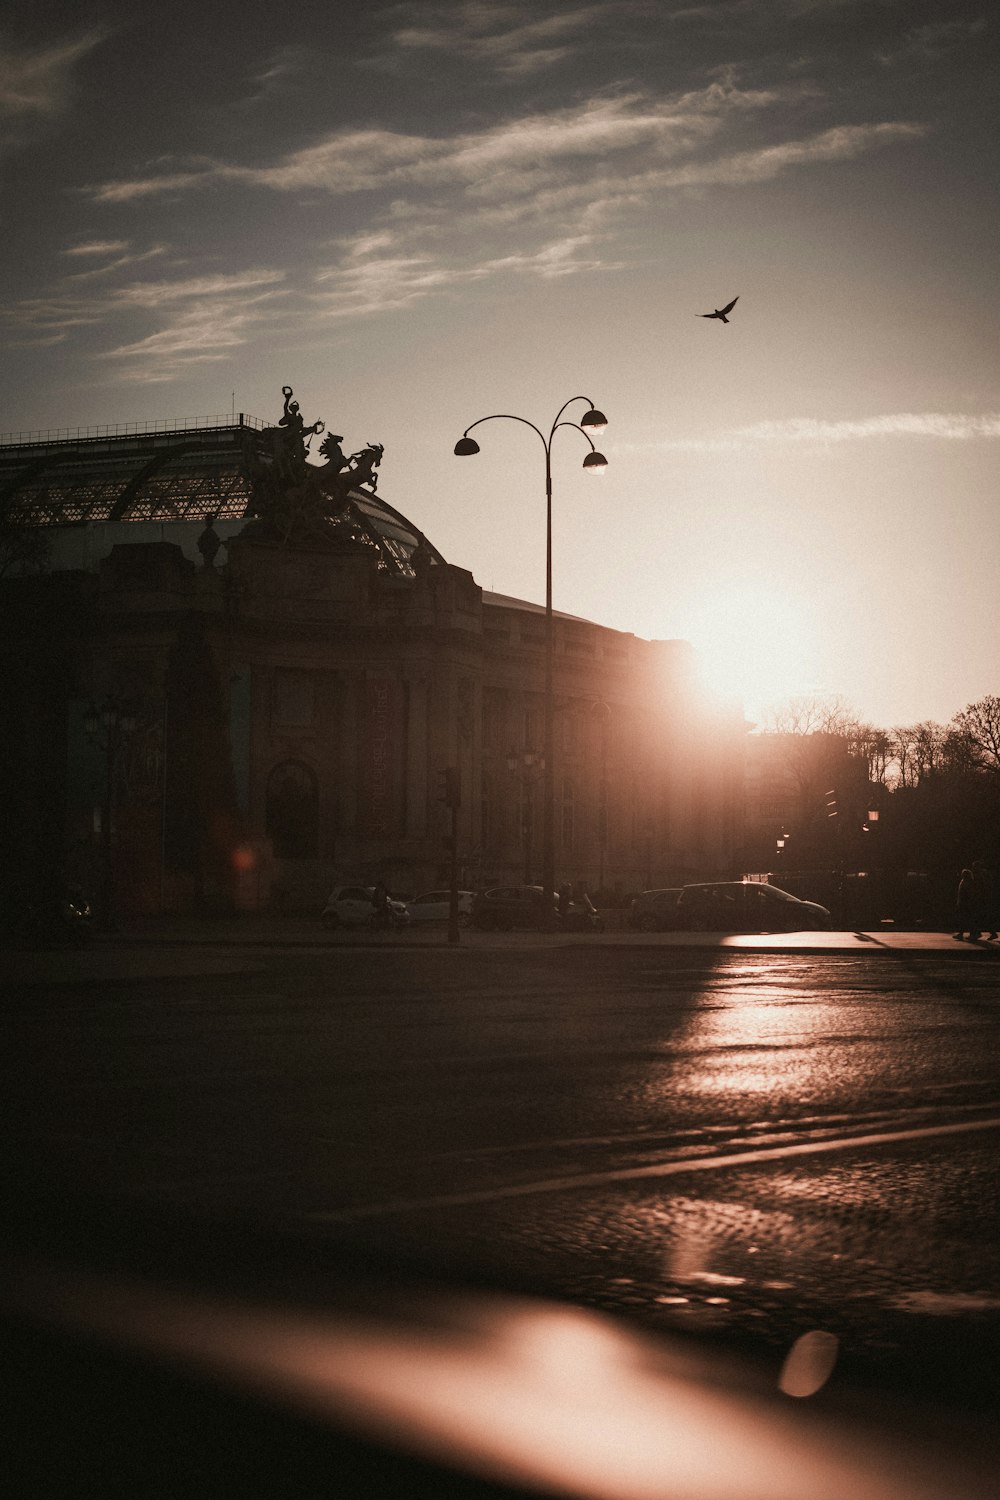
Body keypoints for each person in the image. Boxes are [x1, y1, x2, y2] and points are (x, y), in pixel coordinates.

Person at [954, 867, 979, 941]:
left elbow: (967, 894)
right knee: (965, 919)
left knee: (966, 919)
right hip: (964, 903)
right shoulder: (965, 881)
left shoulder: (968, 882)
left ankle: (970, 934)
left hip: (966, 903)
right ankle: (966, 934)